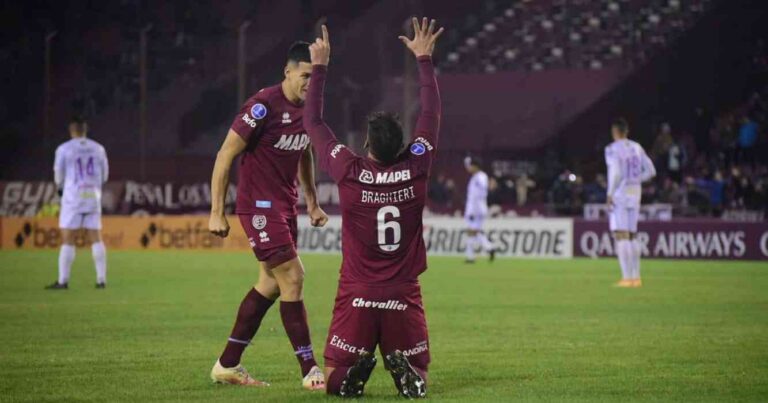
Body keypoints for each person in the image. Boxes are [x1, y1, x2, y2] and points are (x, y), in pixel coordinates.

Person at [303, 20, 442, 398]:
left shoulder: (349, 169)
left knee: (333, 374)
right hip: (403, 290)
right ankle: (406, 373)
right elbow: (430, 117)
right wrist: (424, 59)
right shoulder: (417, 166)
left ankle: (351, 375)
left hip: (358, 292)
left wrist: (320, 66)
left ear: (365, 144)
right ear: (403, 146)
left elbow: (312, 121)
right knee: (421, 375)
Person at [207, 41, 329, 390]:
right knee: (293, 276)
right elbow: (224, 155)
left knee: (271, 283)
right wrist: (217, 211)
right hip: (259, 206)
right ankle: (310, 370)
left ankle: (227, 365)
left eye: (316, 76)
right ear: (288, 72)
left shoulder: (308, 110)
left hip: (285, 205)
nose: (310, 82)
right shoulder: (261, 107)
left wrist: (311, 201)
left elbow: (305, 151)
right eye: (305, 75)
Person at [46, 116, 109, 290]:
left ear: (71, 129)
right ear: (85, 129)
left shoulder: (64, 149)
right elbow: (105, 175)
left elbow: (58, 173)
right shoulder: (98, 148)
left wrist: (60, 189)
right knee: (96, 236)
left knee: (68, 238)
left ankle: (63, 281)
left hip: (73, 196)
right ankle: (101, 280)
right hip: (92, 195)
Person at [605, 118, 656, 288]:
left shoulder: (612, 149)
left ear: (615, 132)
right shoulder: (636, 147)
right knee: (633, 234)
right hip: (635, 193)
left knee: (622, 235)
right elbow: (651, 171)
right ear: (627, 131)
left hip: (620, 193)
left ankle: (626, 278)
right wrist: (635, 180)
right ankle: (636, 277)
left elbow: (616, 172)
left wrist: (610, 193)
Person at [463, 155, 496, 263]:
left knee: (472, 231)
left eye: (471, 165)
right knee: (473, 231)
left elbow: (481, 193)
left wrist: (473, 211)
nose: (469, 168)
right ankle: (488, 248)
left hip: (476, 209)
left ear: (475, 166)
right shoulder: (475, 177)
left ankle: (472, 256)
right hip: (475, 208)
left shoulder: (480, 177)